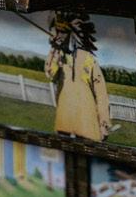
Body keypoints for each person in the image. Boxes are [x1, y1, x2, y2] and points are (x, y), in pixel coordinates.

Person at [44, 14, 111, 142]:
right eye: (58, 31)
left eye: (63, 32)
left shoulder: (88, 59)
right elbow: (50, 73)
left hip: (86, 121)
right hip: (65, 118)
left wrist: (103, 124)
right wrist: (54, 49)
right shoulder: (58, 56)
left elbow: (101, 94)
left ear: (72, 34)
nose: (59, 35)